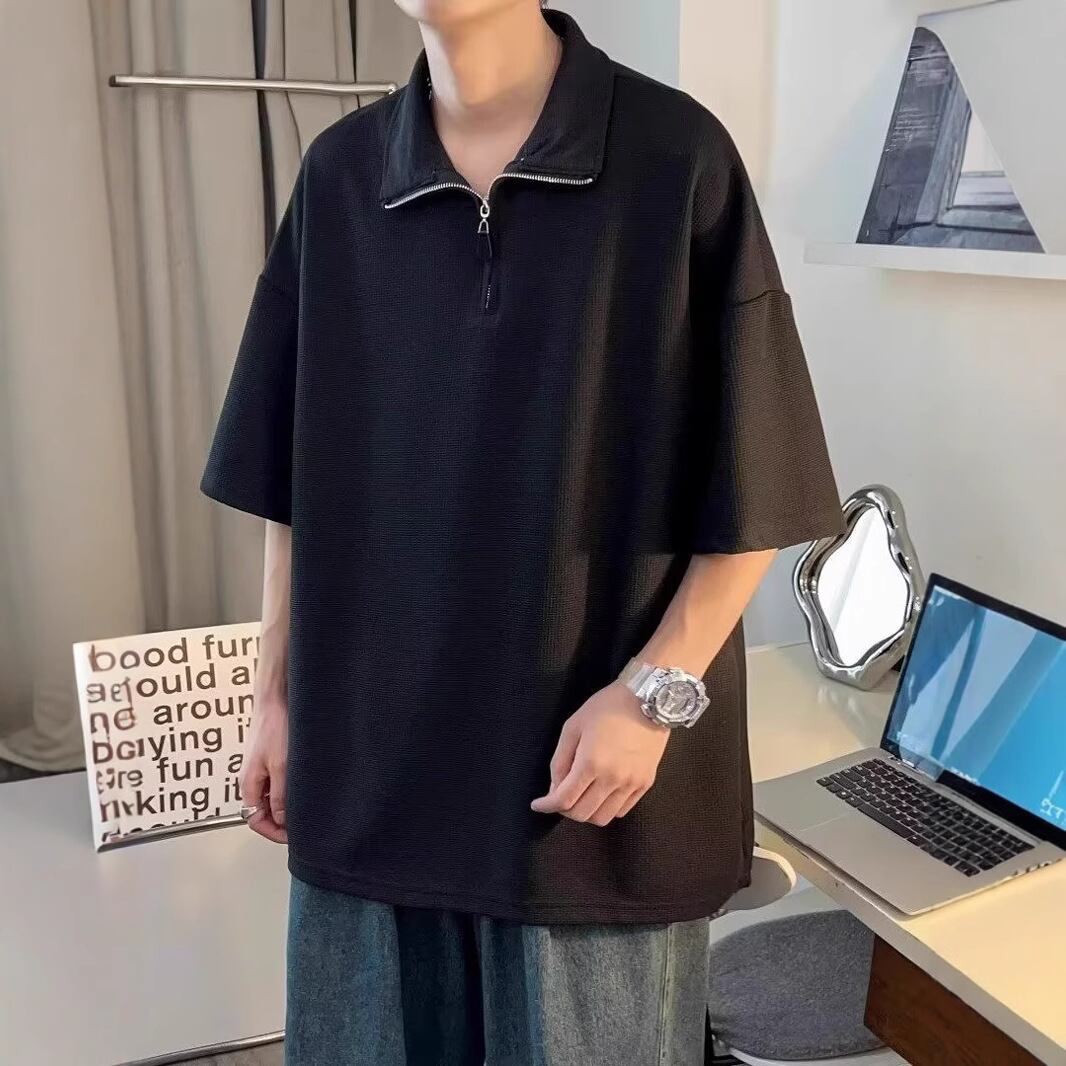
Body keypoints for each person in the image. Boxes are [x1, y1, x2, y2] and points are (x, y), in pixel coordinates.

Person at [200, 2, 844, 1063]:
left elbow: (760, 480)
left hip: (586, 786)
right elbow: (295, 475)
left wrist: (651, 696)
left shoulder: (674, 157)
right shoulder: (341, 176)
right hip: (371, 771)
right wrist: (273, 693)